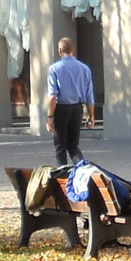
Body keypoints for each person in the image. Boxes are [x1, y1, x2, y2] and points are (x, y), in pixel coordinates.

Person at [45, 37, 95, 166]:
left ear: (59, 50)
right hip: (77, 108)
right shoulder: (84, 69)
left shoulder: (54, 69)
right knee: (73, 146)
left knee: (60, 147)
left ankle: (63, 177)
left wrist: (50, 117)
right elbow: (90, 96)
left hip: (61, 108)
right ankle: (82, 170)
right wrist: (91, 116)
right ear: (73, 50)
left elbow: (53, 97)